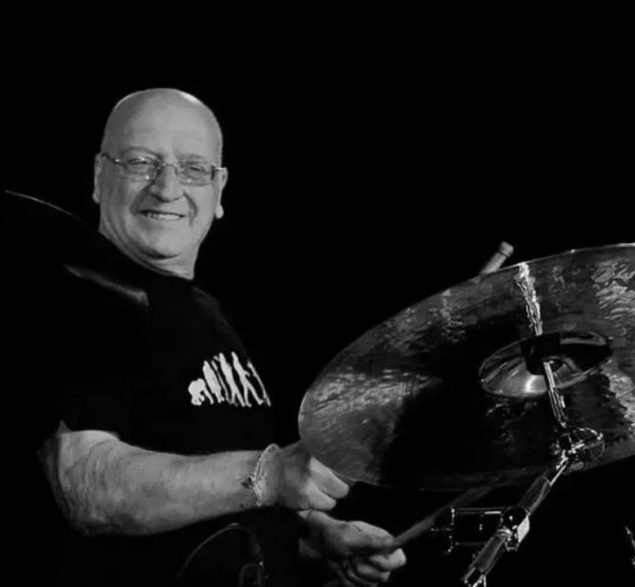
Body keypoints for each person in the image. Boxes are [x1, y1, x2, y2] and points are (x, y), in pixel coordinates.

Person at [32, 88, 406, 586]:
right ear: (100, 177)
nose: (167, 188)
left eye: (193, 169)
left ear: (219, 189)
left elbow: (222, 496)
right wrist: (270, 474)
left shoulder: (207, 315)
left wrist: (312, 536)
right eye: (141, 162)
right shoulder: (71, 292)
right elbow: (85, 487)